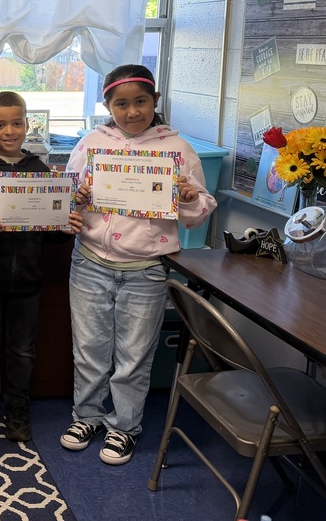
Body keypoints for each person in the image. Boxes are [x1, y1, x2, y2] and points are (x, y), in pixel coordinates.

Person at [60, 64, 214, 466]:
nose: (132, 112)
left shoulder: (177, 150)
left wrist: (185, 196)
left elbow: (198, 215)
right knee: (89, 348)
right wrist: (75, 203)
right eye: (121, 104)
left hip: (146, 267)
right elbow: (67, 197)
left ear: (155, 101)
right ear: (108, 105)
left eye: (141, 102)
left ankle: (124, 427)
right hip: (91, 260)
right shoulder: (92, 143)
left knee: (133, 355)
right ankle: (87, 416)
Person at [0, 91, 83, 442]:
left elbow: (49, 231)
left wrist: (64, 230)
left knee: (22, 349)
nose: (9, 131)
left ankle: (18, 407)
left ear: (27, 124)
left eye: (16, 123)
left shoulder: (40, 169)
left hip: (29, 281)